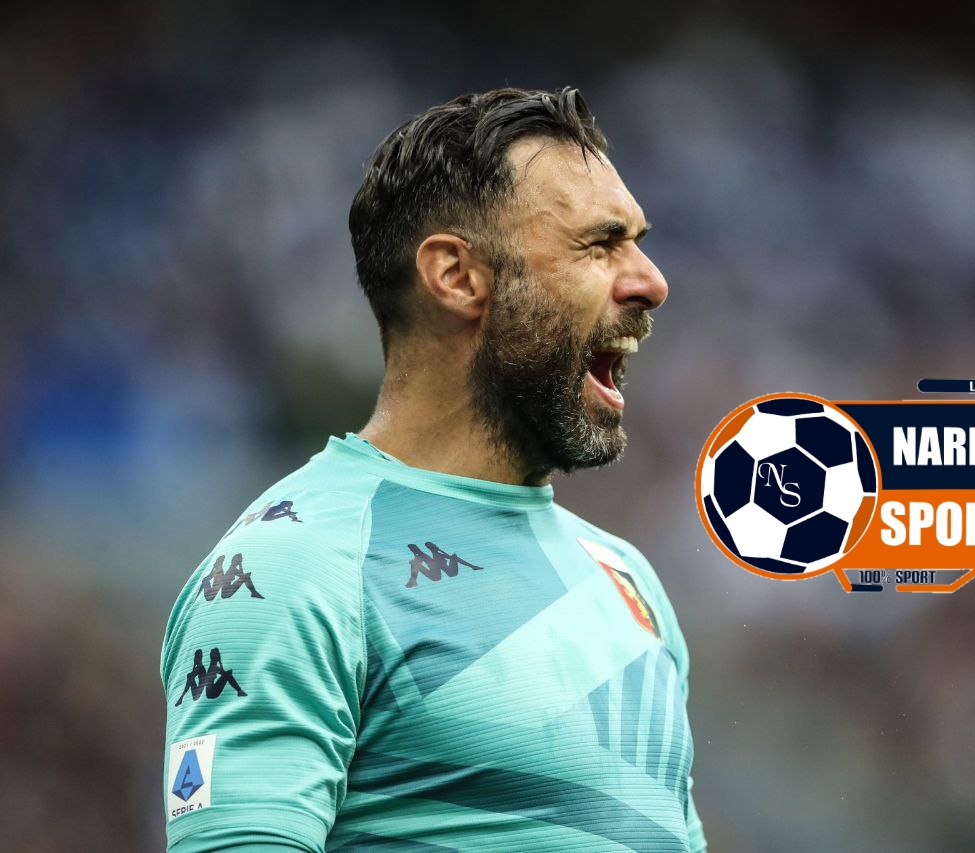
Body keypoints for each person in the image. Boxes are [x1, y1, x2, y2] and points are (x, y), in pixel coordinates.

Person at [161, 86, 707, 851]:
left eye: (638, 242)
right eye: (599, 244)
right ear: (456, 274)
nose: (652, 280)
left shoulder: (626, 579)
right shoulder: (299, 563)